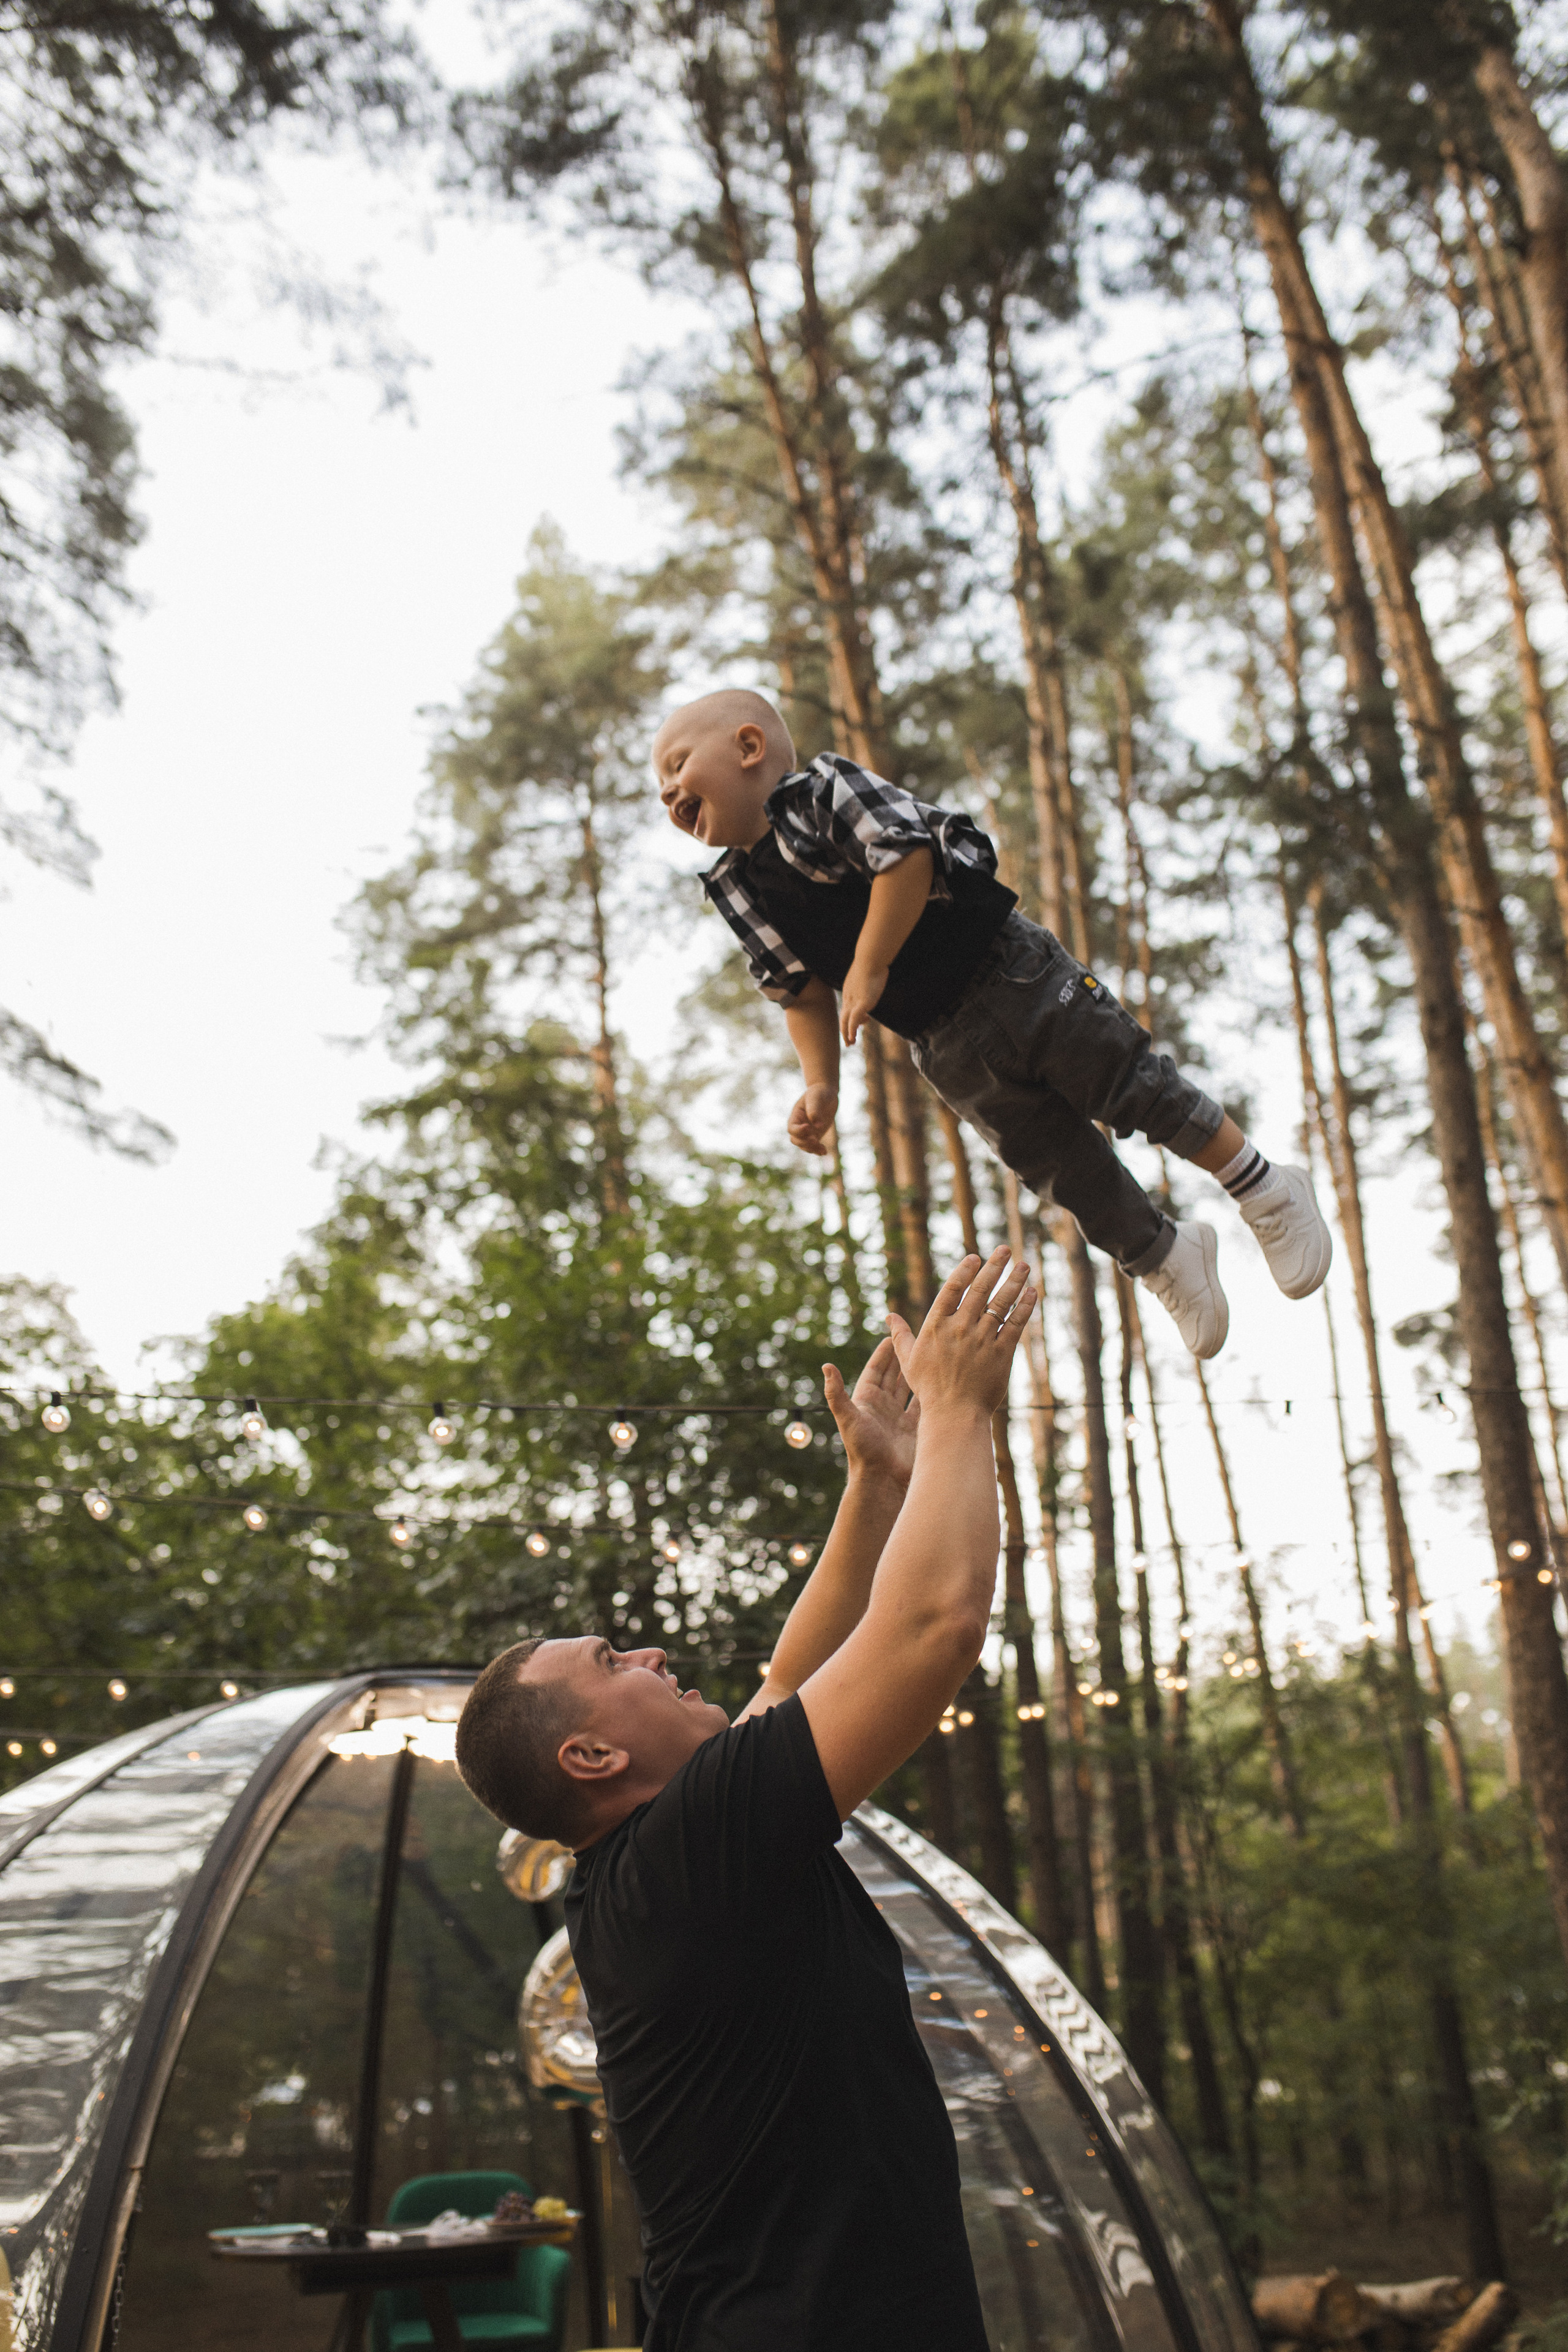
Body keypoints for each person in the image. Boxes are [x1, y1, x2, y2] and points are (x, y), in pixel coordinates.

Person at [456, 1247, 1038, 2351]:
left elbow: (786, 1681)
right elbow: (933, 1629)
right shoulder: (683, 1860)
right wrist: (962, 1411)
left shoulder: (665, 1859)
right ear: (587, 1758)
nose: (653, 1651)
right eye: (613, 1660)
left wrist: (878, 1486)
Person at [650, 686, 1333, 1359]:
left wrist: (871, 961)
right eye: (659, 786)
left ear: (748, 746)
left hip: (1009, 974)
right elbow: (796, 989)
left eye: (677, 764)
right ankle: (1164, 1256)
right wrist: (820, 1083)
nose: (667, 790)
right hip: (942, 1043)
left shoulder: (820, 794)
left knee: (1126, 1083)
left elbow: (906, 854)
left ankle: (1264, 1187)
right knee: (1056, 1166)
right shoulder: (736, 887)